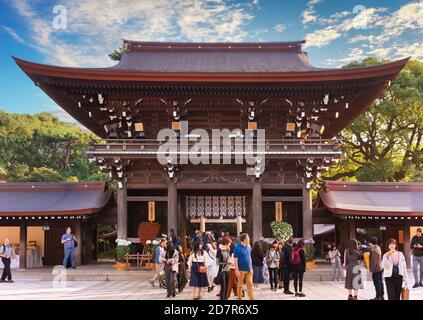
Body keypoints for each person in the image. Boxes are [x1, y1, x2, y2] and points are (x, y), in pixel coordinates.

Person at [233, 233, 255, 300]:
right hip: (241, 270)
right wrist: (236, 270)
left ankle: (252, 298)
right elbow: (235, 259)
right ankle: (239, 298)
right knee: (240, 285)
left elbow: (249, 257)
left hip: (249, 269)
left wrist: (251, 267)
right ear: (244, 240)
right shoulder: (237, 247)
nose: (249, 239)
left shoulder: (248, 246)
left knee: (250, 284)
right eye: (248, 238)